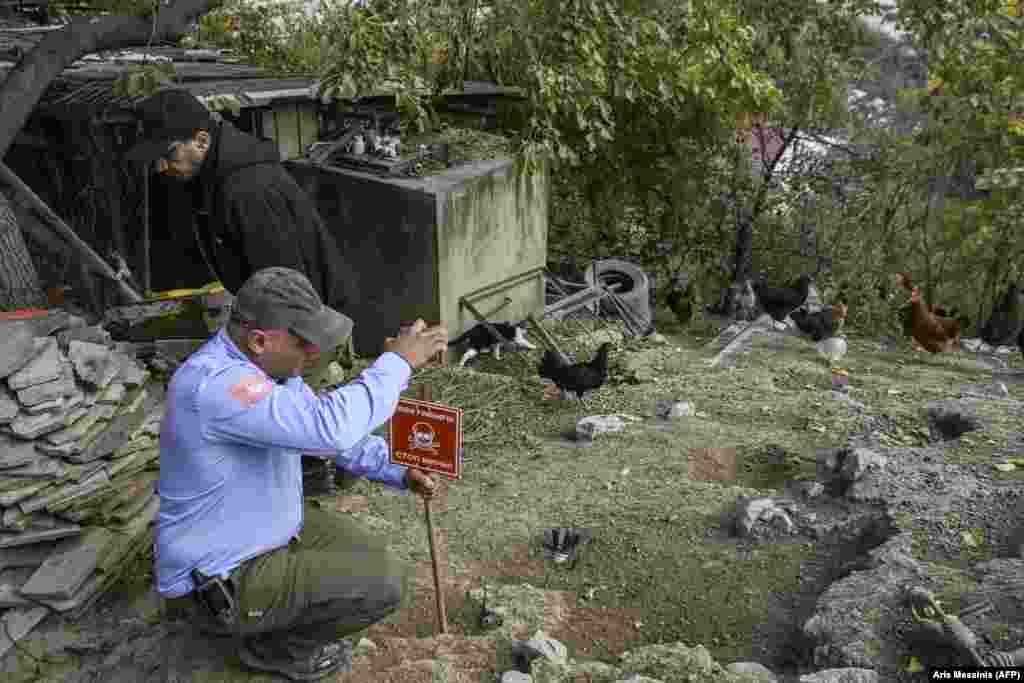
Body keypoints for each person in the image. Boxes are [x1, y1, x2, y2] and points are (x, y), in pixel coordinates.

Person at [156, 266, 448, 681]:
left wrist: (395, 468)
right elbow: (327, 429)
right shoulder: (219, 385)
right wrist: (397, 363)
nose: (314, 352)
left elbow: (314, 425)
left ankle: (276, 620)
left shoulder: (268, 371)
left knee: (369, 554)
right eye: (304, 342)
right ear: (260, 340)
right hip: (222, 572)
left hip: (261, 527)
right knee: (384, 582)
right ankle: (273, 652)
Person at [125, 87, 350, 391]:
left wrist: (280, 367)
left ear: (201, 140)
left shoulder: (246, 190)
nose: (162, 167)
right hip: (291, 321)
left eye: (168, 154)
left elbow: (284, 285)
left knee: (279, 412)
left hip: (303, 329)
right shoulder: (215, 177)